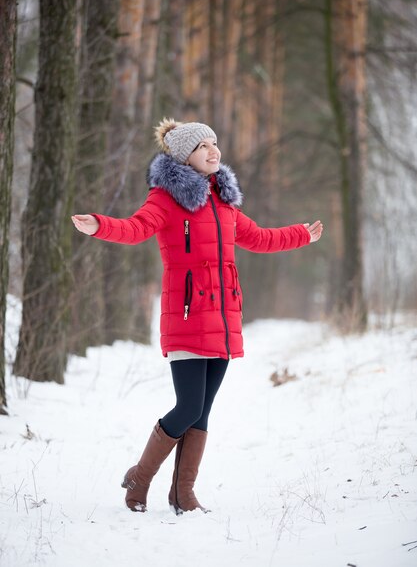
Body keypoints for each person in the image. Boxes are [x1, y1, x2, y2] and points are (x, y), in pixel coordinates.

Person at [71, 118, 323, 515]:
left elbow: (258, 237)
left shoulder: (224, 203)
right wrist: (99, 226)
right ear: (184, 155)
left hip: (223, 321)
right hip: (187, 318)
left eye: (215, 143)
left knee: (202, 413)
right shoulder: (166, 199)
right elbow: (135, 229)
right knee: (187, 406)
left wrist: (301, 235)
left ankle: (182, 494)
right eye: (203, 145)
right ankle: (140, 477)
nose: (213, 150)